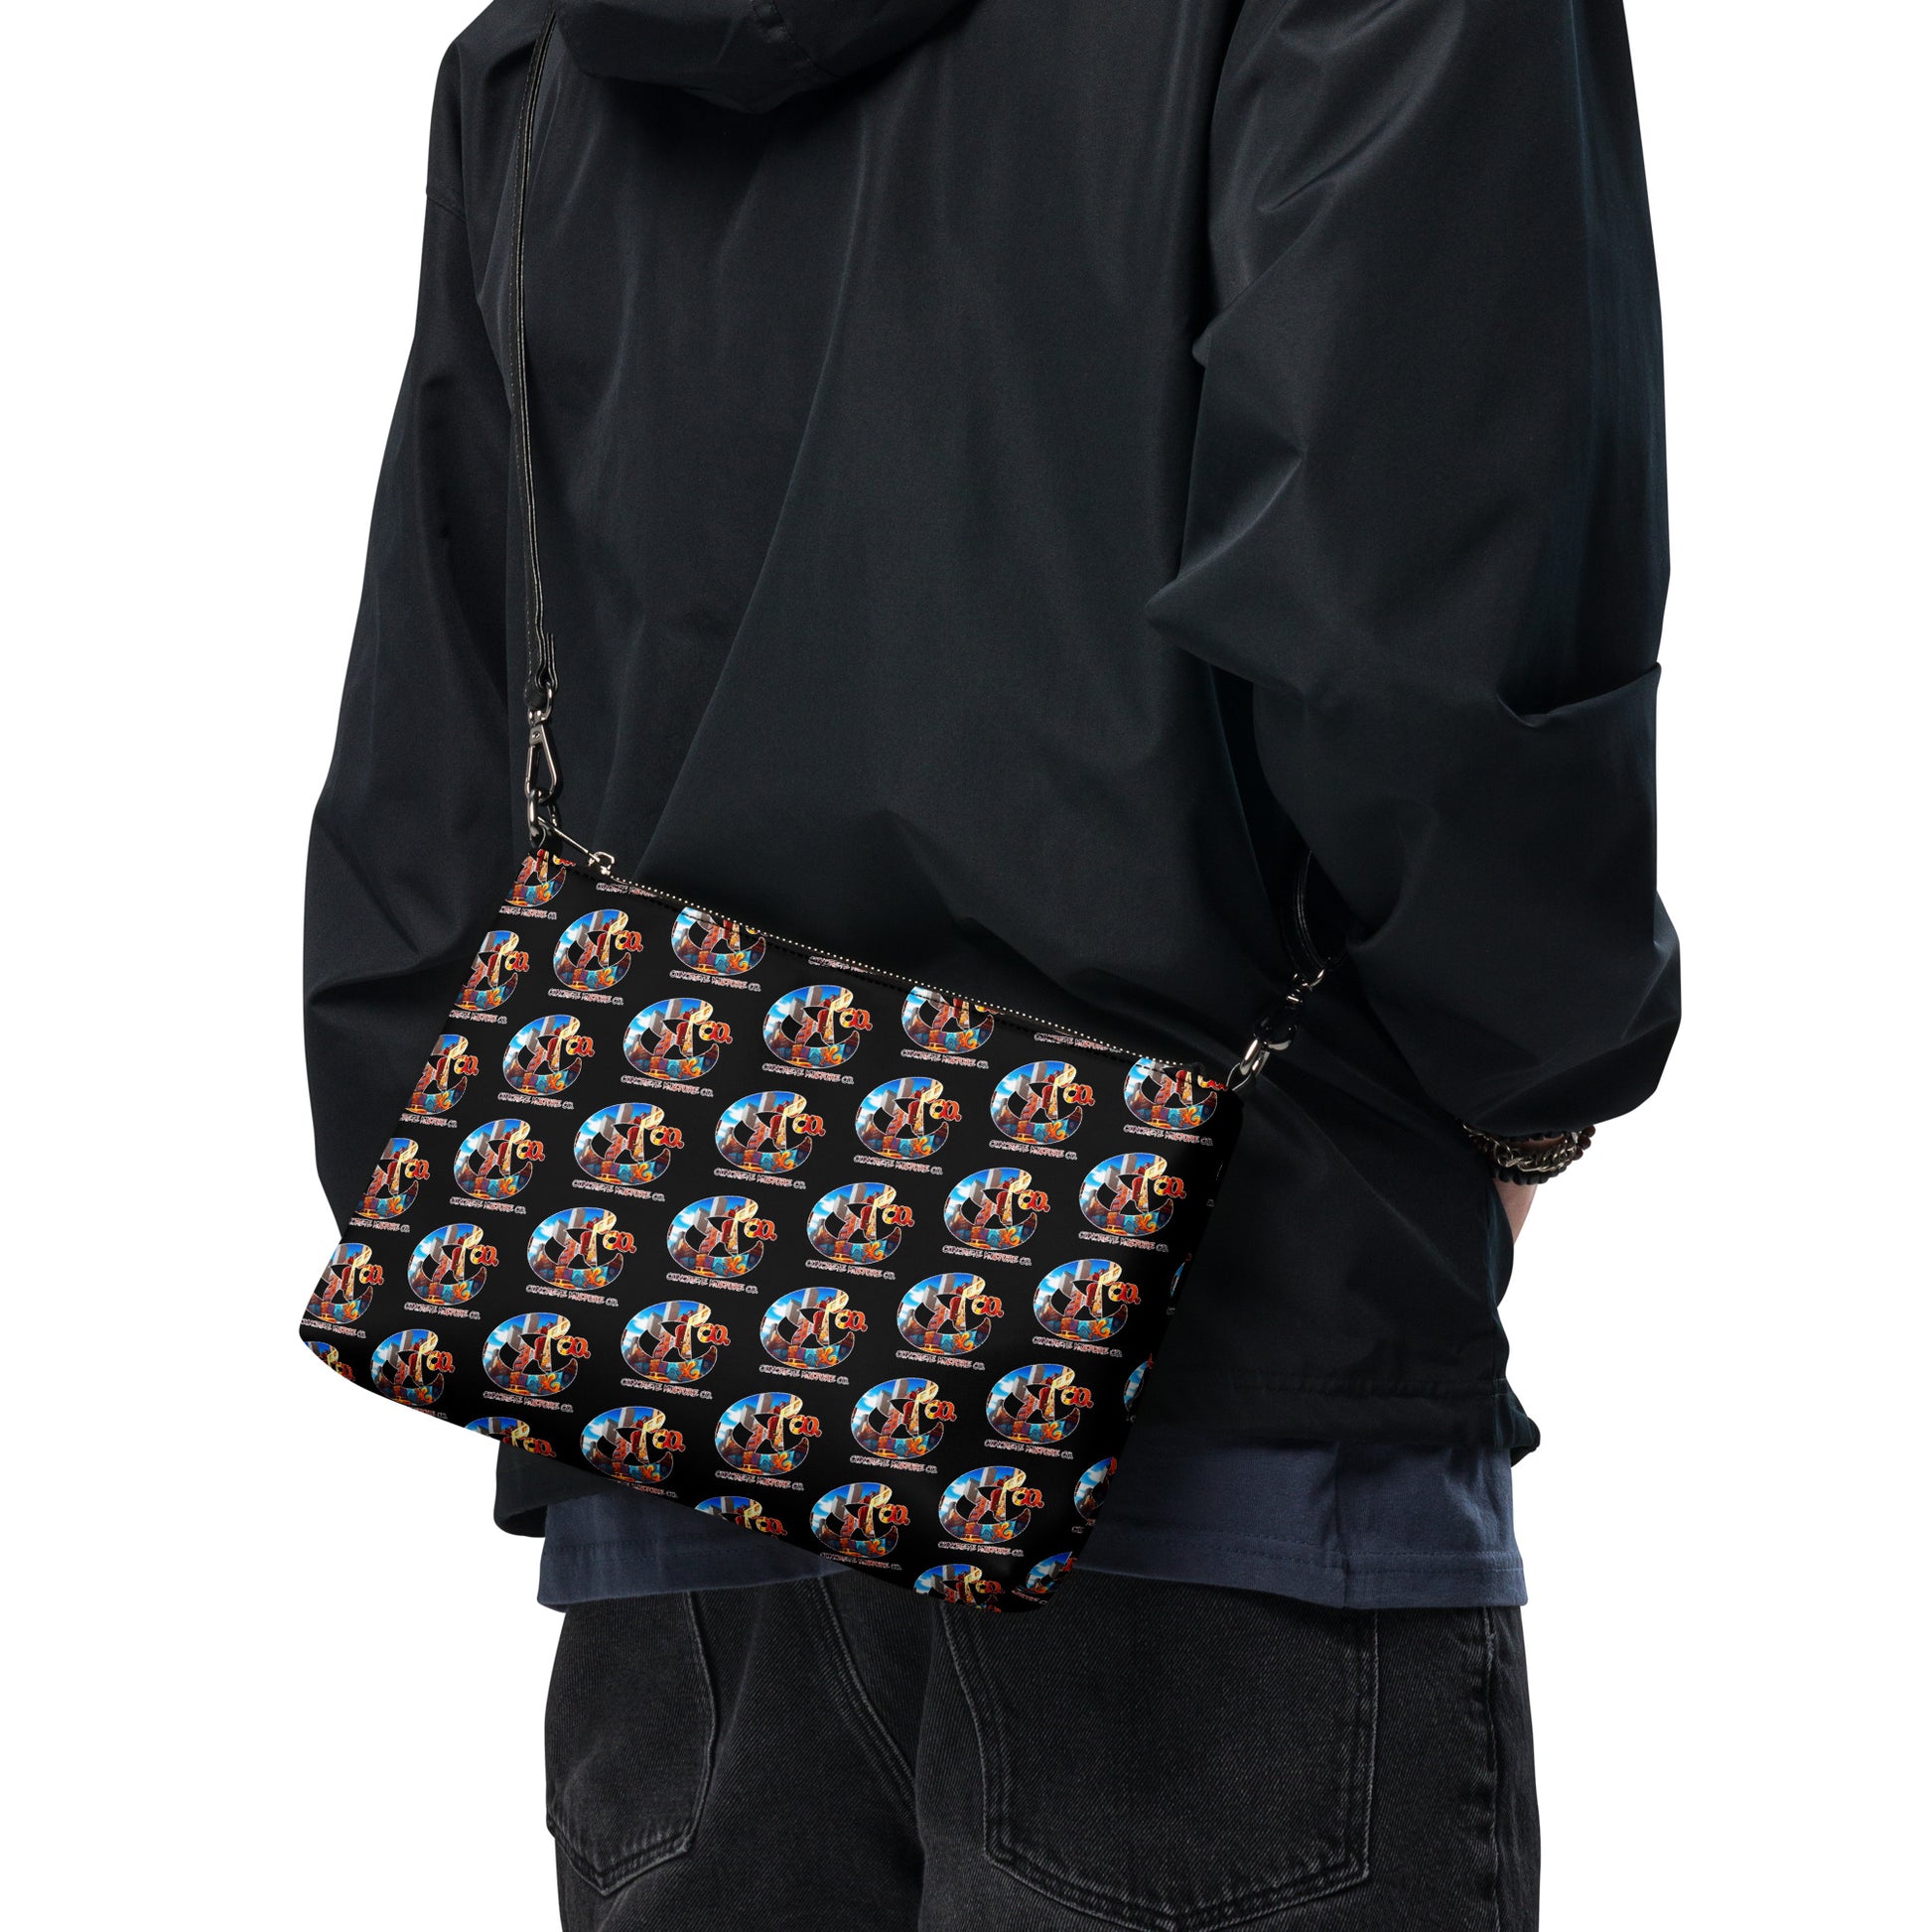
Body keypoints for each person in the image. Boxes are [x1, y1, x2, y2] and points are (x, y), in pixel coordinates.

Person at [304, 2, 1676, 1926]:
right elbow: (1419, 634)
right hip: (1241, 1382)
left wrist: (572, 1243)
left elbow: (429, 776)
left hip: (677, 1389)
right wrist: (1525, 1084)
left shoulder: (546, 50)